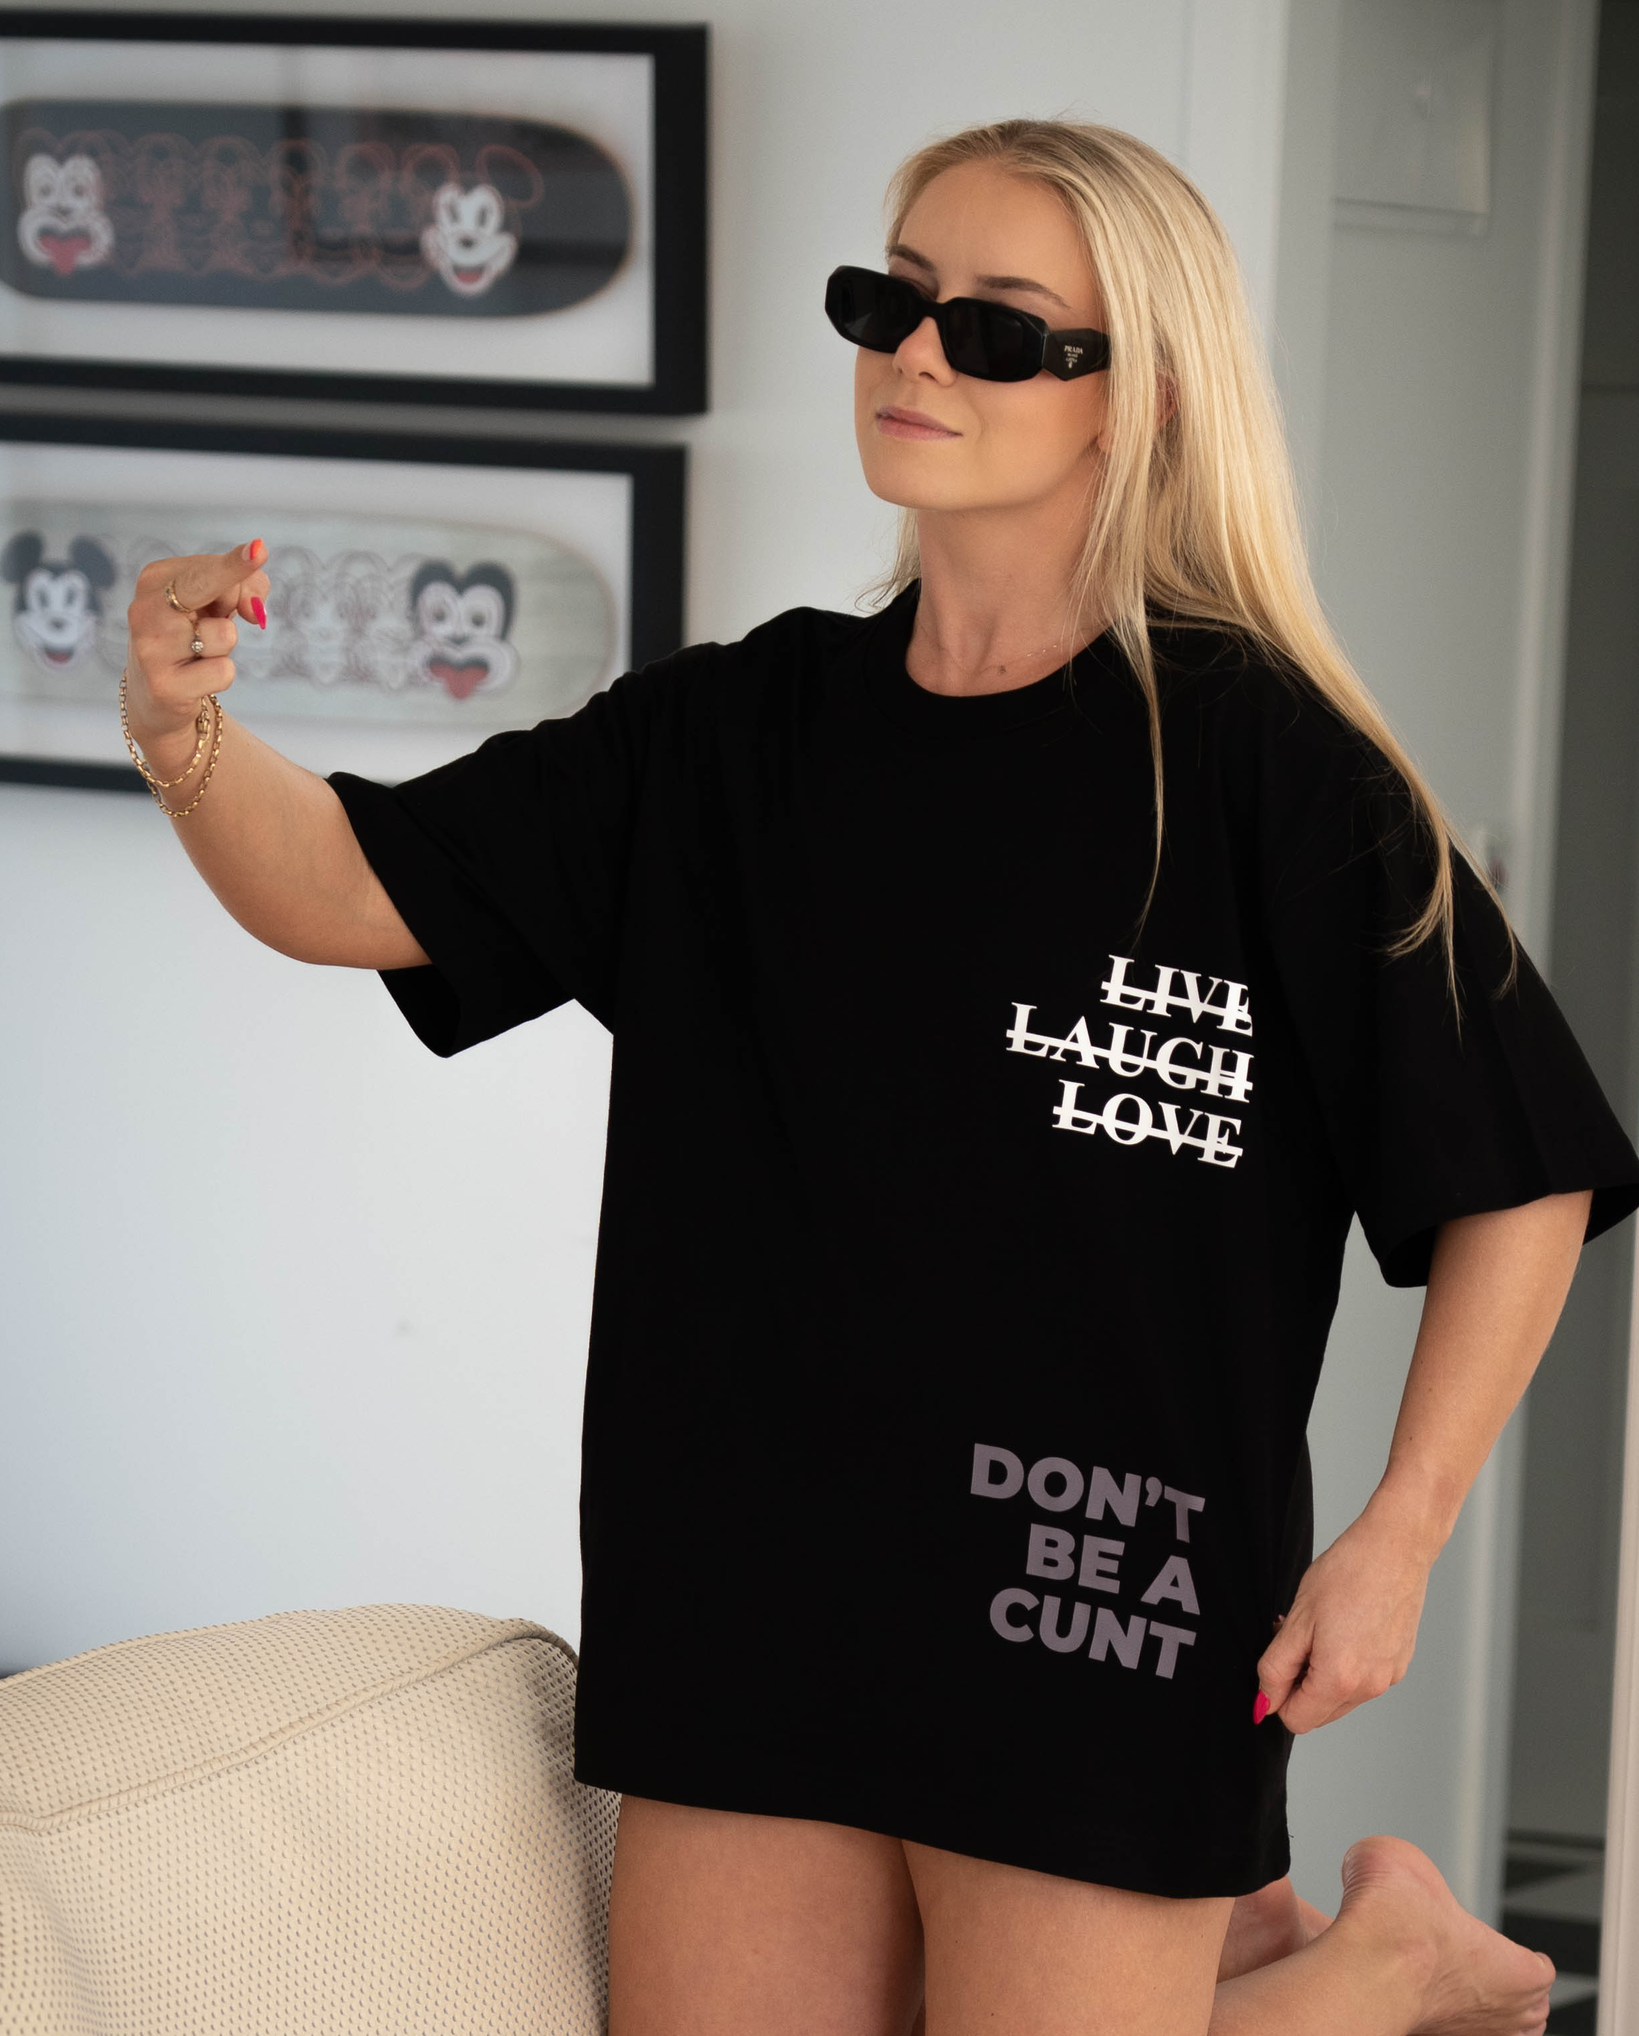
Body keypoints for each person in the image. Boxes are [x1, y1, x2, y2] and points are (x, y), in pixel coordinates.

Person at [118, 118, 1636, 2036]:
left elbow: (1519, 1169)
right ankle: (1386, 1963)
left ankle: (1384, 1961)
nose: (914, 355)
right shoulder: (731, 733)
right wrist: (180, 729)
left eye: (996, 329)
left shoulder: (1273, 772)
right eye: (887, 302)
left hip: (1093, 1599)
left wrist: (1398, 1536)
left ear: (1138, 396)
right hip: (747, 1581)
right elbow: (352, 885)